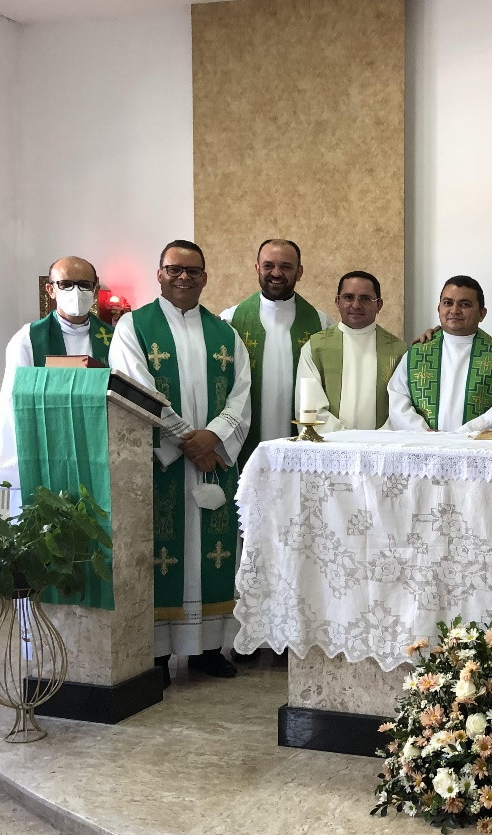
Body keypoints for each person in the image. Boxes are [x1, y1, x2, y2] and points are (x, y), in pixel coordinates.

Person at [110, 240, 251, 685]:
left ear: (205, 277)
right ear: (160, 273)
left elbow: (240, 394)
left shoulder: (225, 334)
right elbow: (133, 386)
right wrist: (186, 439)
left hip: (212, 461)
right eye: (174, 269)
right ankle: (156, 654)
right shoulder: (134, 327)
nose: (184, 277)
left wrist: (214, 438)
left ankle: (208, 649)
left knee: (215, 554)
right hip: (162, 465)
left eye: (193, 270)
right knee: (161, 554)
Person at [0, 256, 113, 512]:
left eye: (84, 285)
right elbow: (13, 402)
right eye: (66, 284)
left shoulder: (113, 338)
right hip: (46, 451)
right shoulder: (28, 339)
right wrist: (11, 465)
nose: (76, 291)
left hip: (98, 450)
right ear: (51, 290)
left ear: (95, 289)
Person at [220, 239, 329, 463]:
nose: (276, 273)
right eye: (268, 265)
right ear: (257, 268)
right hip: (247, 441)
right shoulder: (231, 320)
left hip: (302, 443)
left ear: (299, 272)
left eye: (286, 266)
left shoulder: (321, 323)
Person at [387, 275, 492, 432]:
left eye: (465, 304)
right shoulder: (417, 352)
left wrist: (462, 435)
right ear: (439, 309)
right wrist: (423, 432)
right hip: (423, 442)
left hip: (474, 444)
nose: (454, 310)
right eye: (447, 303)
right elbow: (398, 399)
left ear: (482, 313)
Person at [294, 271, 405, 431]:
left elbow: (401, 409)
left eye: (365, 298)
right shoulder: (315, 347)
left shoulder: (398, 350)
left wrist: (376, 440)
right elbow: (310, 408)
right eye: (348, 297)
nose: (356, 305)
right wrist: (345, 440)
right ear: (337, 301)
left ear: (379, 305)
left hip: (382, 444)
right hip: (332, 443)